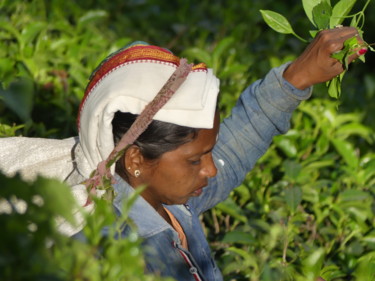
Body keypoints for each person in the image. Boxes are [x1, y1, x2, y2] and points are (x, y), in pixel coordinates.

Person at [0, 26, 365, 281]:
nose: (211, 170)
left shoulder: (157, 195)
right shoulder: (106, 251)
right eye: (195, 160)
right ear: (137, 160)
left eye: (206, 153)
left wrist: (297, 78)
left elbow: (231, 151)